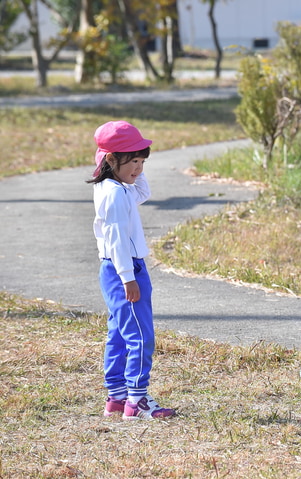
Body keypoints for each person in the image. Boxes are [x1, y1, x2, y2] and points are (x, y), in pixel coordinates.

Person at [87, 121, 176, 421]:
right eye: (132, 161)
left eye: (142, 161)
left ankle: (117, 396)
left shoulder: (114, 187)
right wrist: (128, 278)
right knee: (140, 336)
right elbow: (115, 240)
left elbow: (143, 192)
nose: (138, 168)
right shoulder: (114, 194)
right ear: (110, 160)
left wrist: (135, 169)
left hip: (117, 268)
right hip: (124, 269)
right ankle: (137, 401)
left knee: (119, 333)